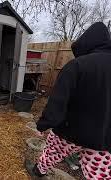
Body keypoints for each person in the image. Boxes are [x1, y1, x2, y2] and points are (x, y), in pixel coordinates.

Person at [25, 22, 111, 179]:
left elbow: (58, 101)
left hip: (72, 130)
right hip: (104, 136)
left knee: (52, 152)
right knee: (99, 173)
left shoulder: (77, 65)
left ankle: (38, 171)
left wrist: (44, 124)